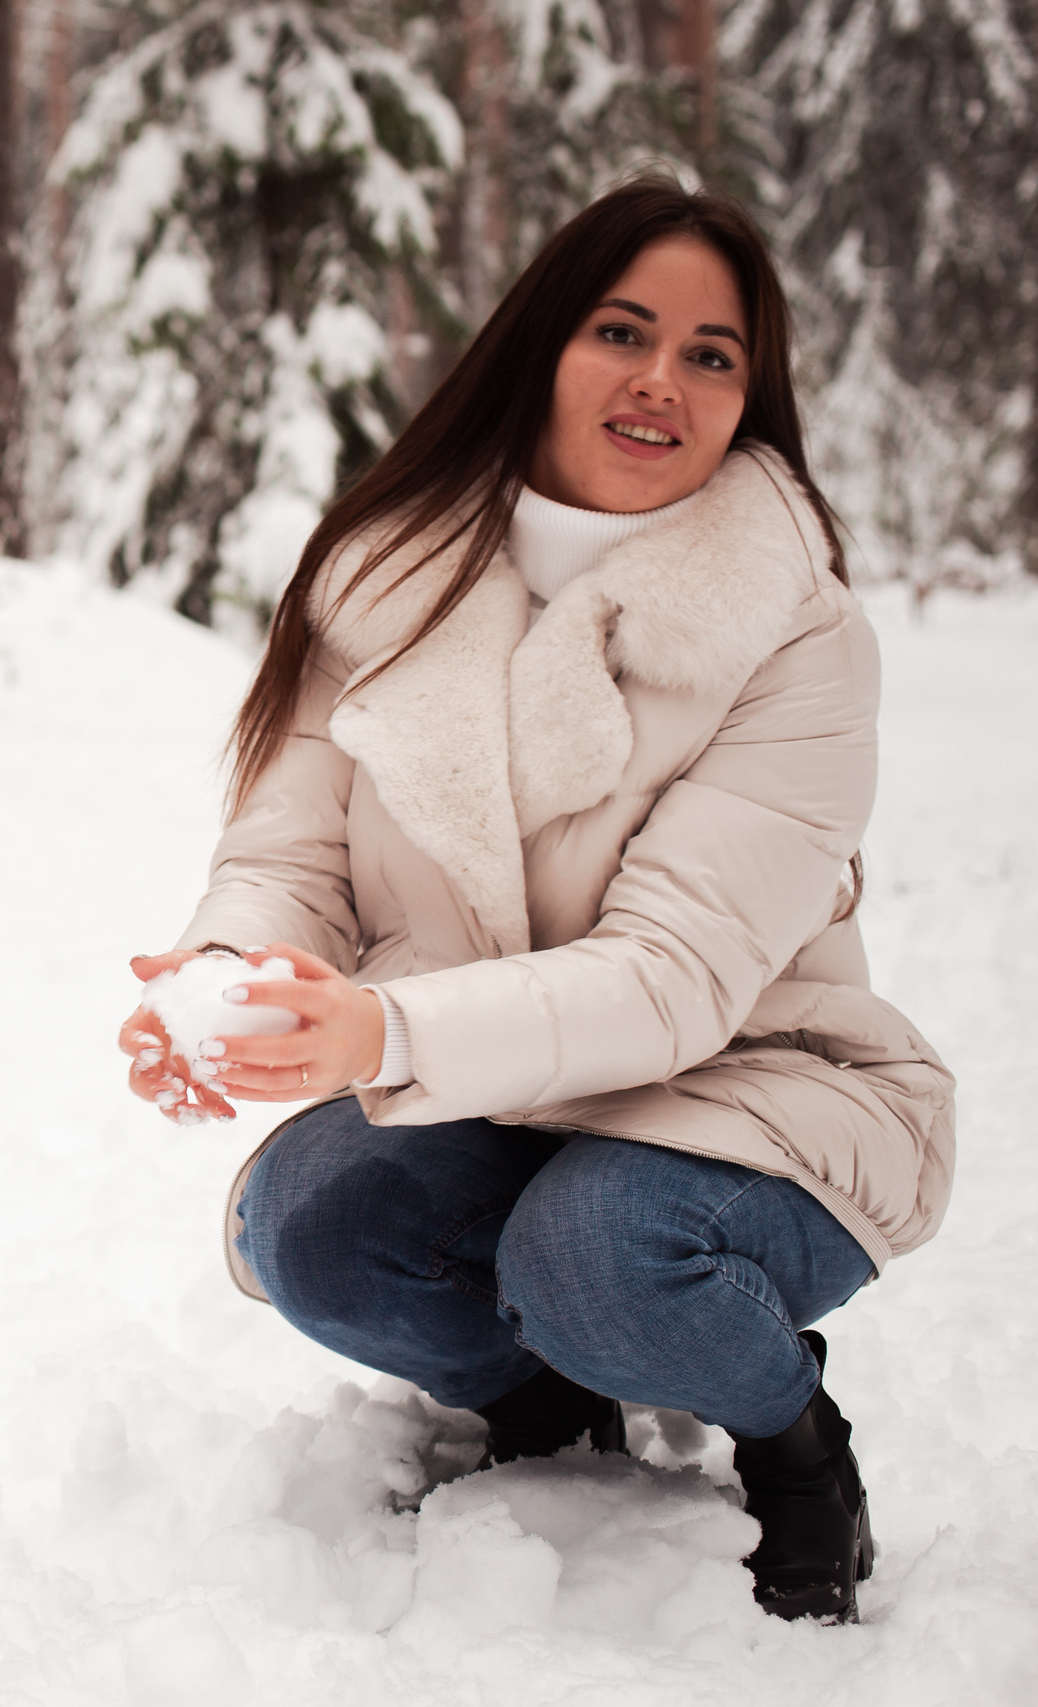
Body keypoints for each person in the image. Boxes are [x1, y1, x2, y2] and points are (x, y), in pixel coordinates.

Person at [117, 174, 952, 1625]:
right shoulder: (394, 577)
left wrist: (378, 1031)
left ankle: (788, 1431)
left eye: (712, 354)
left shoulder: (798, 635)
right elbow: (295, 847)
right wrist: (226, 983)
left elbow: (671, 978)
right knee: (309, 1222)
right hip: (492, 1098)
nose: (660, 380)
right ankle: (539, 1388)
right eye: (621, 330)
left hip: (744, 1099)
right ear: (542, 345)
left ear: (751, 396)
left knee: (597, 1250)